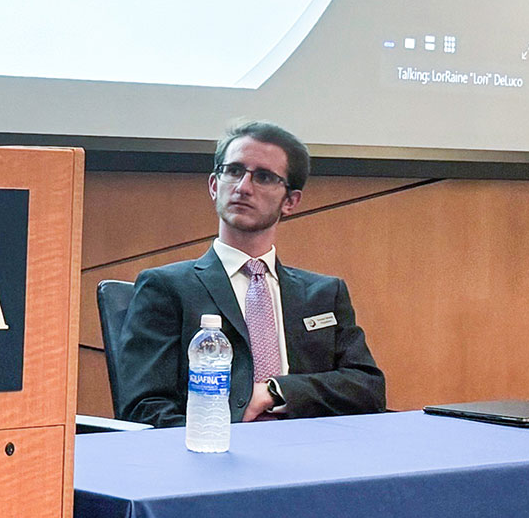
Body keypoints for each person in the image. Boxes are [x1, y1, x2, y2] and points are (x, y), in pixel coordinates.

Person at [116, 119, 386, 426]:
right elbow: (144, 407)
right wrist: (218, 439)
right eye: (233, 171)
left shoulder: (324, 293)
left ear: (291, 201)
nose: (243, 187)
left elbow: (368, 389)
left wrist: (277, 390)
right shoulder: (167, 287)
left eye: (264, 177)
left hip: (310, 450)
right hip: (213, 456)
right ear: (214, 186)